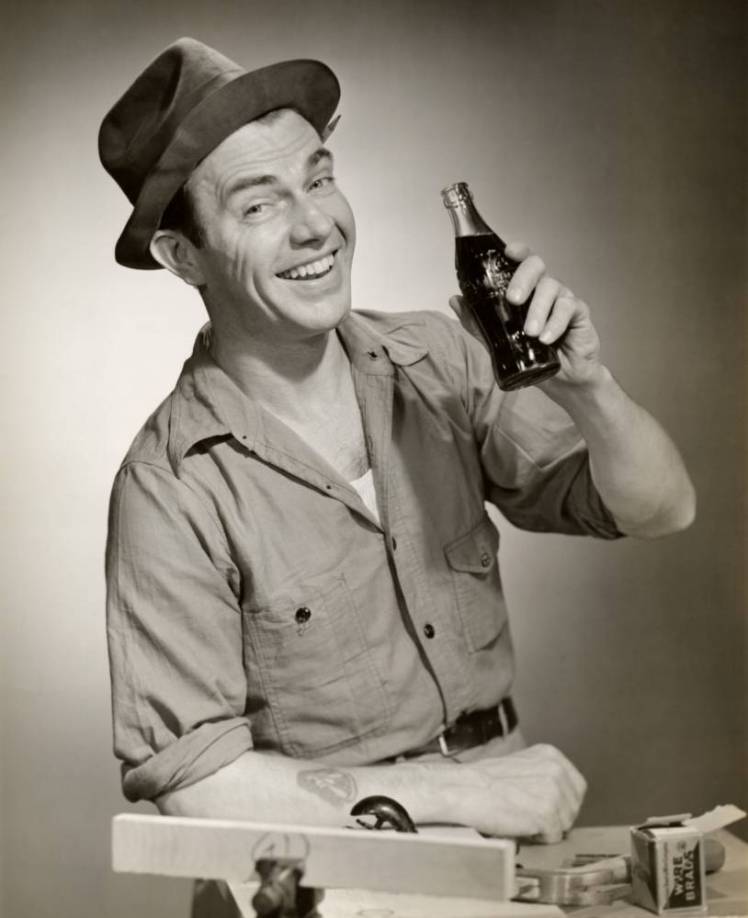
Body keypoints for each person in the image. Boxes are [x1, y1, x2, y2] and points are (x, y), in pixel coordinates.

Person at [101, 37, 695, 857]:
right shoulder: (170, 486)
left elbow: (663, 509)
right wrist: (459, 791)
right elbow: (195, 784)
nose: (317, 227)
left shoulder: (440, 361)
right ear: (184, 255)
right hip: (313, 879)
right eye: (259, 204)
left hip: (508, 845)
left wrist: (587, 389)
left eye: (320, 178)